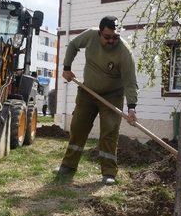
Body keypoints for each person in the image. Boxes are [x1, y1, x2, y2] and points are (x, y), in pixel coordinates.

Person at [56, 16, 138, 185]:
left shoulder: (124, 51)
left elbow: (130, 82)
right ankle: (68, 166)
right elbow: (72, 45)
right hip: (88, 92)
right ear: (100, 32)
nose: (111, 41)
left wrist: (131, 107)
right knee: (78, 127)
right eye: (107, 37)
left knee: (109, 133)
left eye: (115, 37)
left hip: (112, 96)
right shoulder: (91, 35)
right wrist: (66, 68)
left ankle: (109, 173)